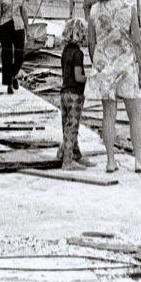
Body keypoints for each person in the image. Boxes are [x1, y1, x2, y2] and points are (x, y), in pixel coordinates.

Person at [85, 0, 141, 173]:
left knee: (108, 116)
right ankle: (138, 160)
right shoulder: (129, 8)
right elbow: (137, 41)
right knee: (135, 115)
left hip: (104, 66)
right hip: (126, 65)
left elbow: (91, 41)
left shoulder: (94, 10)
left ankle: (110, 161)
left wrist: (96, 62)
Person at [56, 18, 94, 169]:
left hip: (64, 93)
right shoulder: (78, 54)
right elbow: (78, 76)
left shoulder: (65, 51)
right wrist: (91, 79)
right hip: (75, 95)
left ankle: (74, 153)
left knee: (67, 125)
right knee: (72, 127)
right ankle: (67, 160)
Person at [0, 0, 28, 94]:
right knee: (7, 55)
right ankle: (8, 83)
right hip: (5, 25)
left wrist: (27, 29)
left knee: (20, 54)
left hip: (18, 25)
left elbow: (24, 12)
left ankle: (13, 75)